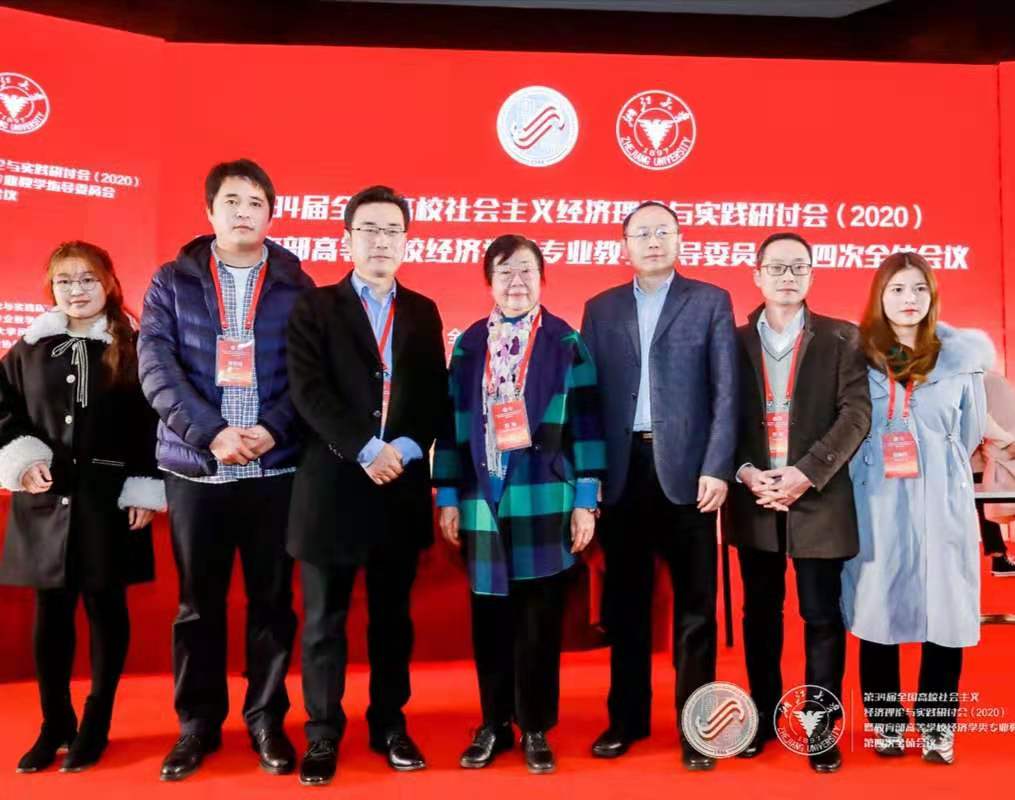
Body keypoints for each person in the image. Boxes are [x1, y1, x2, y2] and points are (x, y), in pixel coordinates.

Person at [138, 159, 314, 780]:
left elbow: (309, 374)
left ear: (271, 215)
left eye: (256, 202)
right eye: (232, 201)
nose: (244, 212)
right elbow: (156, 367)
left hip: (274, 471)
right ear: (209, 211)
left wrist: (274, 430)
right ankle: (197, 724)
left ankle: (266, 719)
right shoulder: (172, 281)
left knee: (272, 602)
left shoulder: (297, 285)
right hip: (197, 471)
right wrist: (211, 433)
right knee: (197, 605)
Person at [286, 185, 448, 787]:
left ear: (406, 241)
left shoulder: (423, 311)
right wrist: (364, 447)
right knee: (324, 621)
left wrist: (403, 447)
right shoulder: (315, 307)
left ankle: (389, 724)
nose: (381, 241)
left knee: (392, 620)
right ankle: (322, 732)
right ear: (347, 239)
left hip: (398, 486)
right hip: (331, 486)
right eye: (369, 230)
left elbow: (433, 394)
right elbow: (307, 391)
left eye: (392, 231)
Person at [434, 235, 605, 774]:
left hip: (544, 496)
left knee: (539, 621)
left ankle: (534, 726)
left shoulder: (565, 342)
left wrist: (585, 500)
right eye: (505, 271)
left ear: (542, 278)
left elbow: (588, 427)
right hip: (481, 496)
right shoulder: (469, 345)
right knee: (490, 619)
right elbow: (451, 425)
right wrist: (447, 494)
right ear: (489, 280)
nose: (516, 282)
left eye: (527, 270)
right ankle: (493, 724)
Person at [580, 201, 738, 770]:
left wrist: (717, 466)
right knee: (626, 607)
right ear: (624, 244)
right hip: (624, 473)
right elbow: (587, 400)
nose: (652, 241)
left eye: (662, 232)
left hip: (690, 476)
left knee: (696, 609)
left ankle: (698, 728)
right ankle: (626, 719)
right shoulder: (601, 307)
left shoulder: (710, 301)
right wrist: (591, 475)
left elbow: (727, 393)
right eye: (642, 233)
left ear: (678, 239)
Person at [0, 242, 164, 773]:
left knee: (105, 607)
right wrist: (22, 458)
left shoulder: (134, 346)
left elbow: (154, 422)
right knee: (50, 613)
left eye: (88, 279)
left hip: (107, 501)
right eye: (65, 280)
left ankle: (96, 721)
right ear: (51, 287)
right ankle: (55, 723)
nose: (76, 290)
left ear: (109, 283)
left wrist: (144, 485)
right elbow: (4, 410)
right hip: (45, 499)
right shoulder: (29, 348)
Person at [727, 232, 871, 772]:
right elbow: (720, 415)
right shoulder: (733, 341)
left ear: (811, 275)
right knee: (760, 613)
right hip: (755, 495)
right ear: (757, 275)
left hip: (819, 496)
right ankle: (763, 716)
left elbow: (856, 414)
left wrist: (807, 473)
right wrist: (745, 472)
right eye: (777, 267)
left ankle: (820, 726)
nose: (787, 277)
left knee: (821, 615)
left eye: (798, 267)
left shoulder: (842, 338)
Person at [843, 251, 989, 765]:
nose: (910, 299)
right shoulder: (857, 357)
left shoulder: (960, 358)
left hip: (943, 497)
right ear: (879, 297)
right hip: (877, 497)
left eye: (919, 289)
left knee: (946, 612)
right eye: (898, 289)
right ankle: (886, 724)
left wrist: (938, 466)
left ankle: (937, 727)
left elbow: (970, 430)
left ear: (933, 296)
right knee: (877, 609)